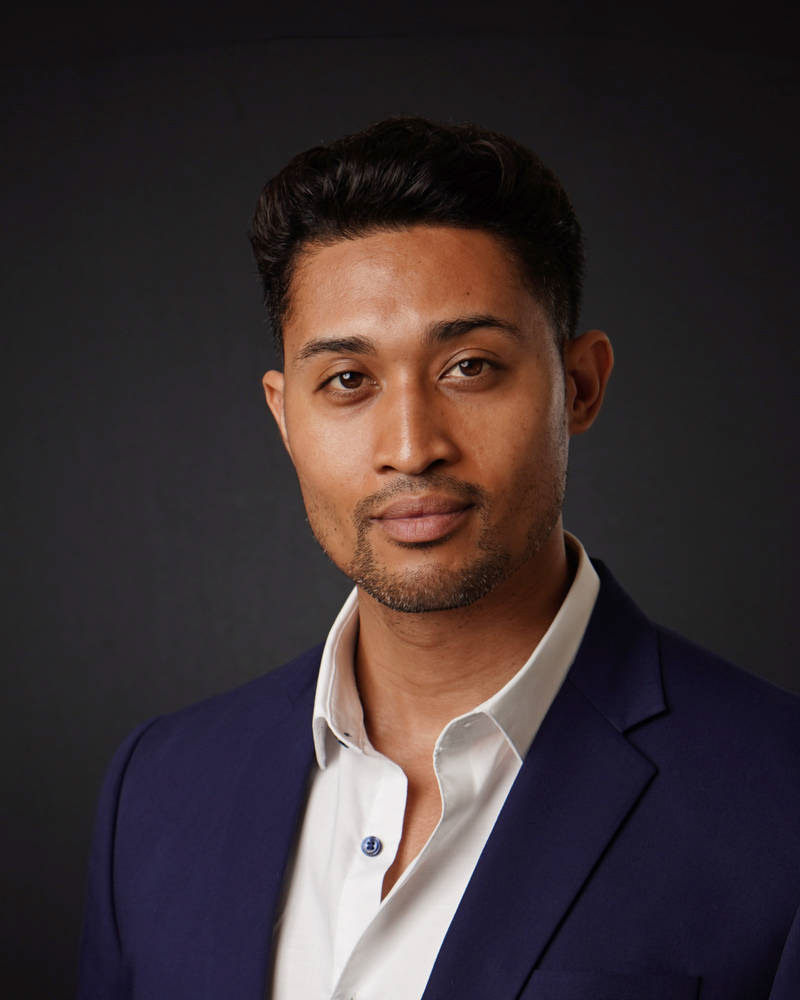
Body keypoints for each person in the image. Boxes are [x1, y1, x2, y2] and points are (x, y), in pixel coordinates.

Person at [77, 117, 800, 1000]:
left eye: (470, 366)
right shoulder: (158, 786)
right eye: (348, 380)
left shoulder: (778, 800)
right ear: (284, 418)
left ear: (580, 386)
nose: (412, 447)